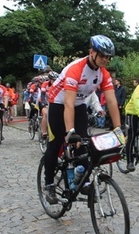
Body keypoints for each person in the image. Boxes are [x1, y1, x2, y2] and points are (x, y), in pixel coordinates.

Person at [43, 35, 122, 204]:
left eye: (108, 57)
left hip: (78, 105)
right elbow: (68, 103)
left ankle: (83, 181)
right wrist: (70, 132)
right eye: (102, 55)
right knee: (57, 141)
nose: (105, 60)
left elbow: (111, 101)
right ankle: (49, 184)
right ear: (91, 52)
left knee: (84, 143)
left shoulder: (103, 74)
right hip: (58, 103)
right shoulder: (75, 69)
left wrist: (118, 129)